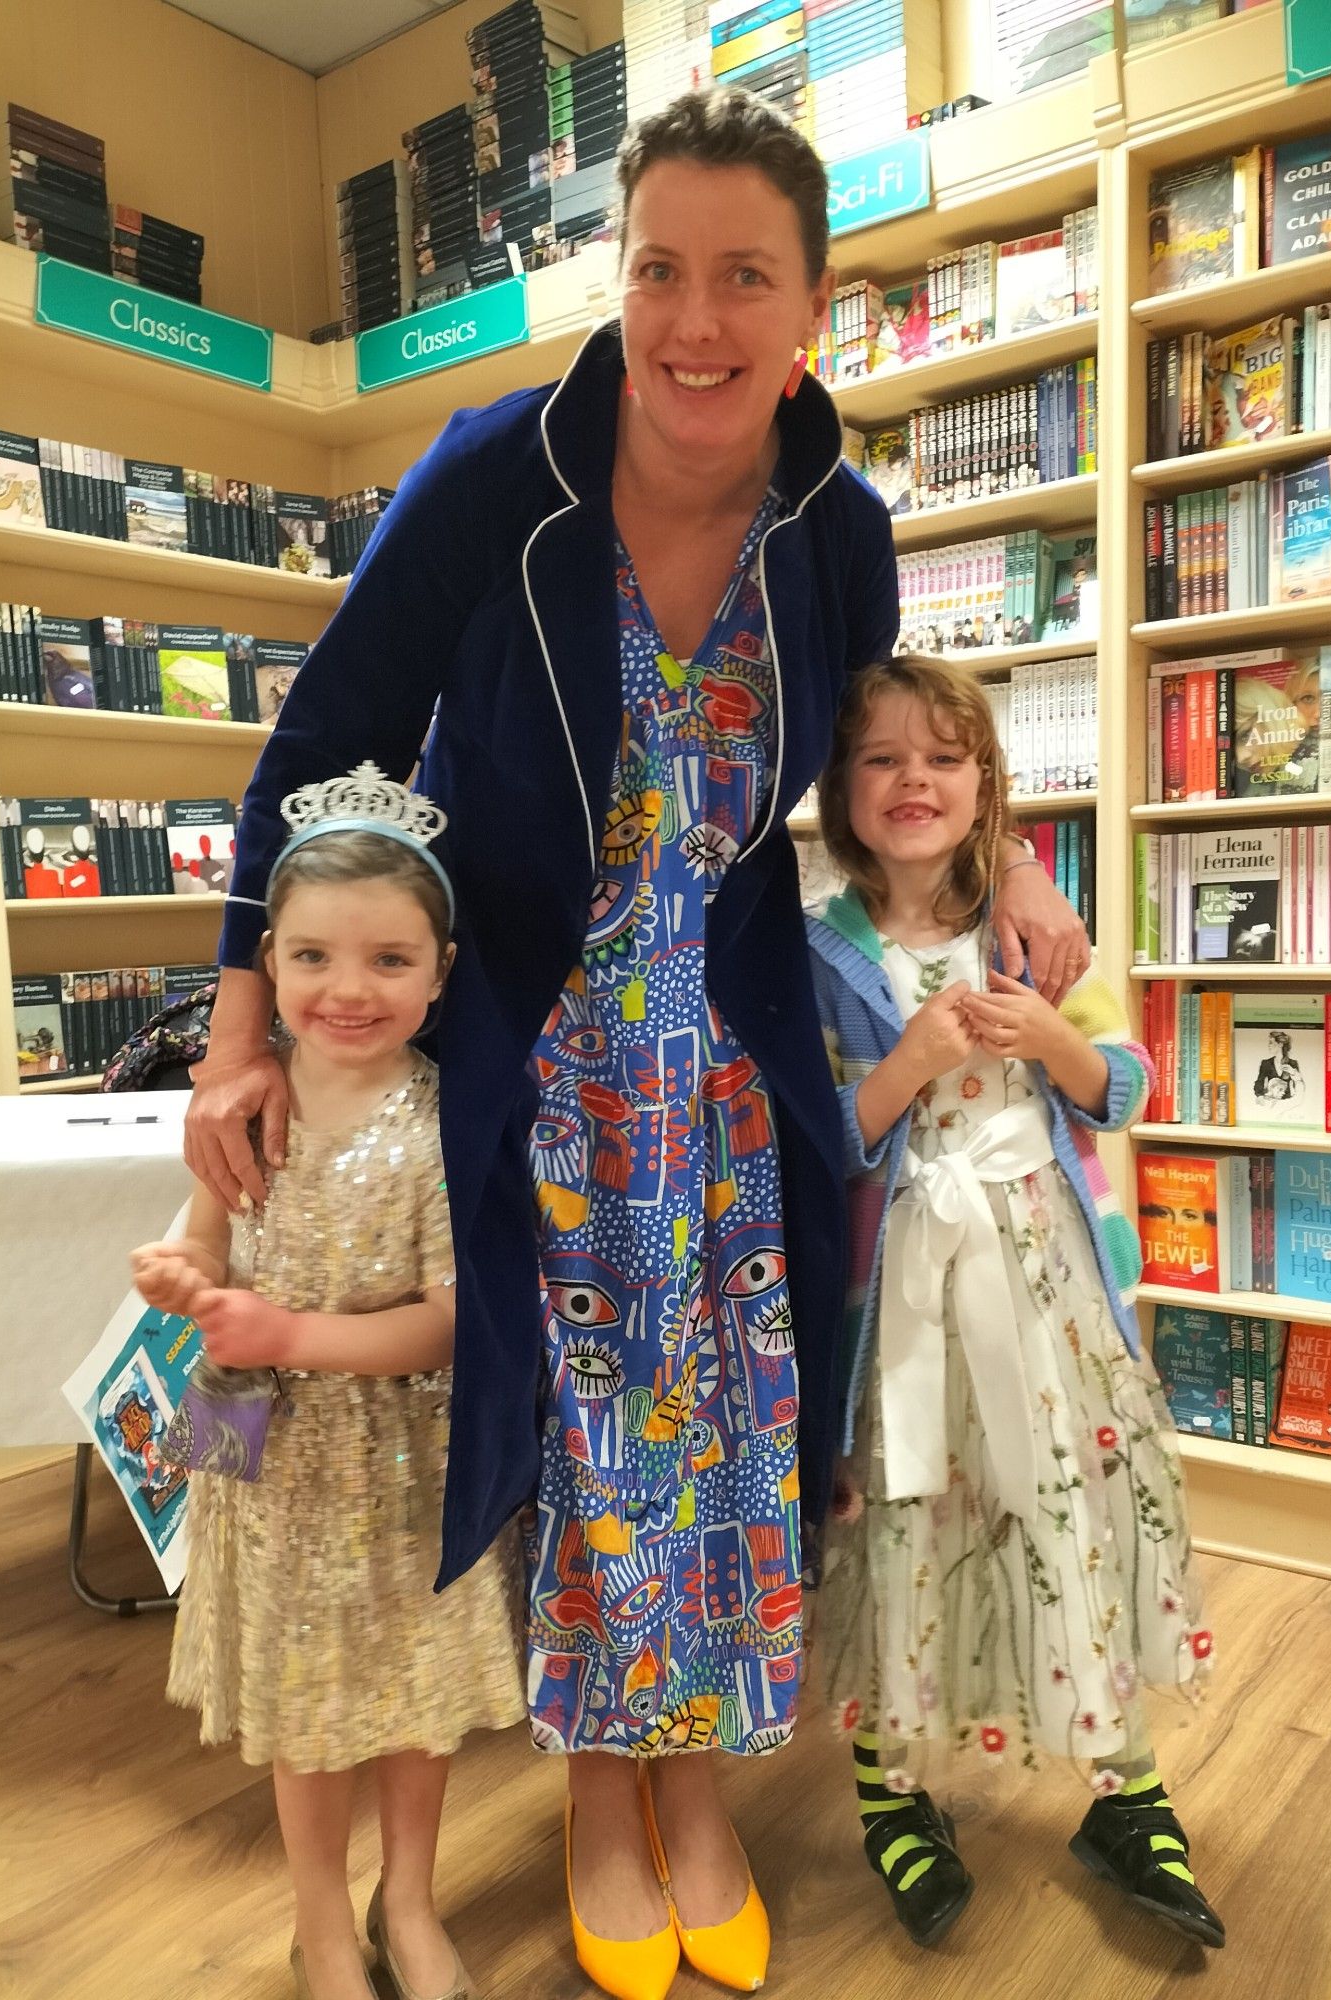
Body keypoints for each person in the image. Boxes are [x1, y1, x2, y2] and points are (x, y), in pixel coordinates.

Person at [182, 88, 1090, 2000]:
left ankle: (696, 1798)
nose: (694, 317)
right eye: (660, 267)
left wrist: (1009, 882)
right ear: (625, 279)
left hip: (732, 1061)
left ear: (809, 302)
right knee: (597, 1444)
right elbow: (319, 734)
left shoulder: (837, 527)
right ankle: (603, 1798)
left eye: (743, 275)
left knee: (733, 1432)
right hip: (540, 1054)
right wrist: (237, 1030)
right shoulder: (494, 479)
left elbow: (876, 769)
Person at [805, 658, 1223, 1955]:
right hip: (903, 1299)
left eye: (941, 756)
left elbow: (1127, 1082)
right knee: (908, 1513)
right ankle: (889, 1786)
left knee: (1069, 1508)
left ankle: (1124, 1783)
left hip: (1045, 1282)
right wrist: (910, 1063)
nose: (912, 781)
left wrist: (1046, 1039)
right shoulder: (814, 950)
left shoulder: (1034, 925)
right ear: (838, 788)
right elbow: (804, 1139)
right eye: (880, 759)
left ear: (985, 780)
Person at [132, 769, 524, 2000]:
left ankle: (406, 1897)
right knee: (303, 1703)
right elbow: (208, 1241)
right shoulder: (247, 1107)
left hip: (403, 1456)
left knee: (411, 1697)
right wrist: (183, 1275)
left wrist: (283, 1327)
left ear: (441, 971)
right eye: (312, 956)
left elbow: (454, 1323)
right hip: (266, 1456)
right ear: (270, 961)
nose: (348, 990)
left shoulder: (445, 1120)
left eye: (389, 960)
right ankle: (316, 1919)